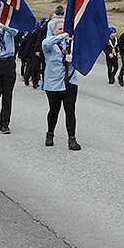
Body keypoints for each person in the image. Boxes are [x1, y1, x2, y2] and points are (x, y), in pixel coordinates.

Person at [42, 19, 81, 150]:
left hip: (70, 81)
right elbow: (45, 44)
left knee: (70, 111)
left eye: (65, 29)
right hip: (53, 82)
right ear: (53, 31)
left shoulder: (72, 43)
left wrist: (73, 57)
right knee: (54, 110)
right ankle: (50, 133)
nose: (63, 31)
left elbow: (81, 55)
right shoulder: (50, 43)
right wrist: (60, 37)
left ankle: (72, 139)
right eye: (59, 29)